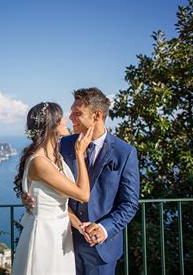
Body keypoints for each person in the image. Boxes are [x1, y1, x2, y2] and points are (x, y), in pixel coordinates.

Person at [22, 87, 140, 274]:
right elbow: (37, 172)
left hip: (101, 249)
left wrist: (104, 228)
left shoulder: (124, 152)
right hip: (63, 241)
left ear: (97, 115)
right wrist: (27, 194)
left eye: (77, 113)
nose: (70, 117)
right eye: (71, 112)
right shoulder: (64, 144)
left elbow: (130, 204)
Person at [11, 102, 94, 275]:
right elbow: (83, 195)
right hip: (45, 235)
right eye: (61, 118)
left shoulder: (55, 156)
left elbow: (57, 203)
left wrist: (79, 226)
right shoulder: (40, 162)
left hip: (60, 231)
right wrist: (79, 154)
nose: (66, 121)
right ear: (52, 125)